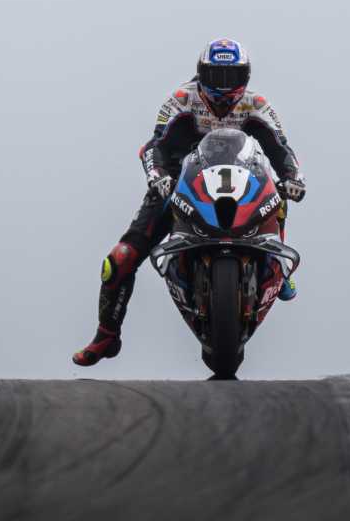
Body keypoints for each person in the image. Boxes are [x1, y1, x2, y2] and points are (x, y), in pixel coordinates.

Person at [71, 38, 306, 366]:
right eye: (215, 76)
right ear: (201, 73)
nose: (223, 87)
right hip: (181, 183)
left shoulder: (257, 104)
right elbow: (153, 147)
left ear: (246, 77)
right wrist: (157, 176)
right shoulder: (182, 99)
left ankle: (280, 264)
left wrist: (293, 178)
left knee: (278, 192)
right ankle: (106, 335)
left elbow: (282, 150)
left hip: (240, 181)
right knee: (120, 258)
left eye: (232, 77)